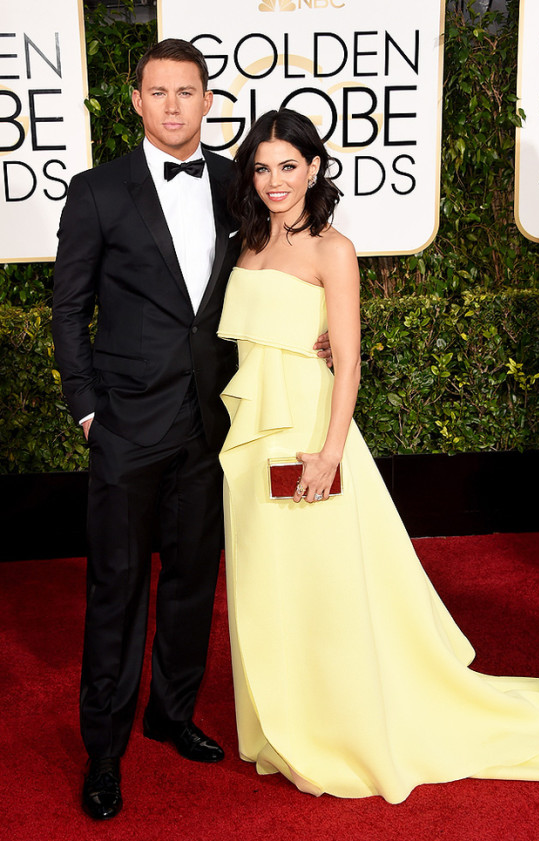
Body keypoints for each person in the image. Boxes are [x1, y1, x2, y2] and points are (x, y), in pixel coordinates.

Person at [217, 108, 539, 803]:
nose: (274, 180)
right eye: (261, 167)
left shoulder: (333, 248)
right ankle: (285, 719)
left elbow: (347, 362)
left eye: (288, 165)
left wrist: (326, 453)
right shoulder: (244, 241)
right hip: (247, 440)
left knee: (328, 588)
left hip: (308, 434)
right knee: (270, 587)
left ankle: (345, 723)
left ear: (314, 168)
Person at [52, 40, 332, 821]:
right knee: (117, 589)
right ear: (136, 102)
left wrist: (315, 330)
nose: (174, 105)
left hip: (215, 421)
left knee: (191, 580)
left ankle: (170, 713)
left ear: (209, 102)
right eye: (158, 92)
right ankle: (104, 752)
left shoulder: (234, 185)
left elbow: (281, 266)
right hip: (125, 425)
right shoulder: (96, 191)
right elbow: (68, 308)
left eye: (188, 91)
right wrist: (87, 408)